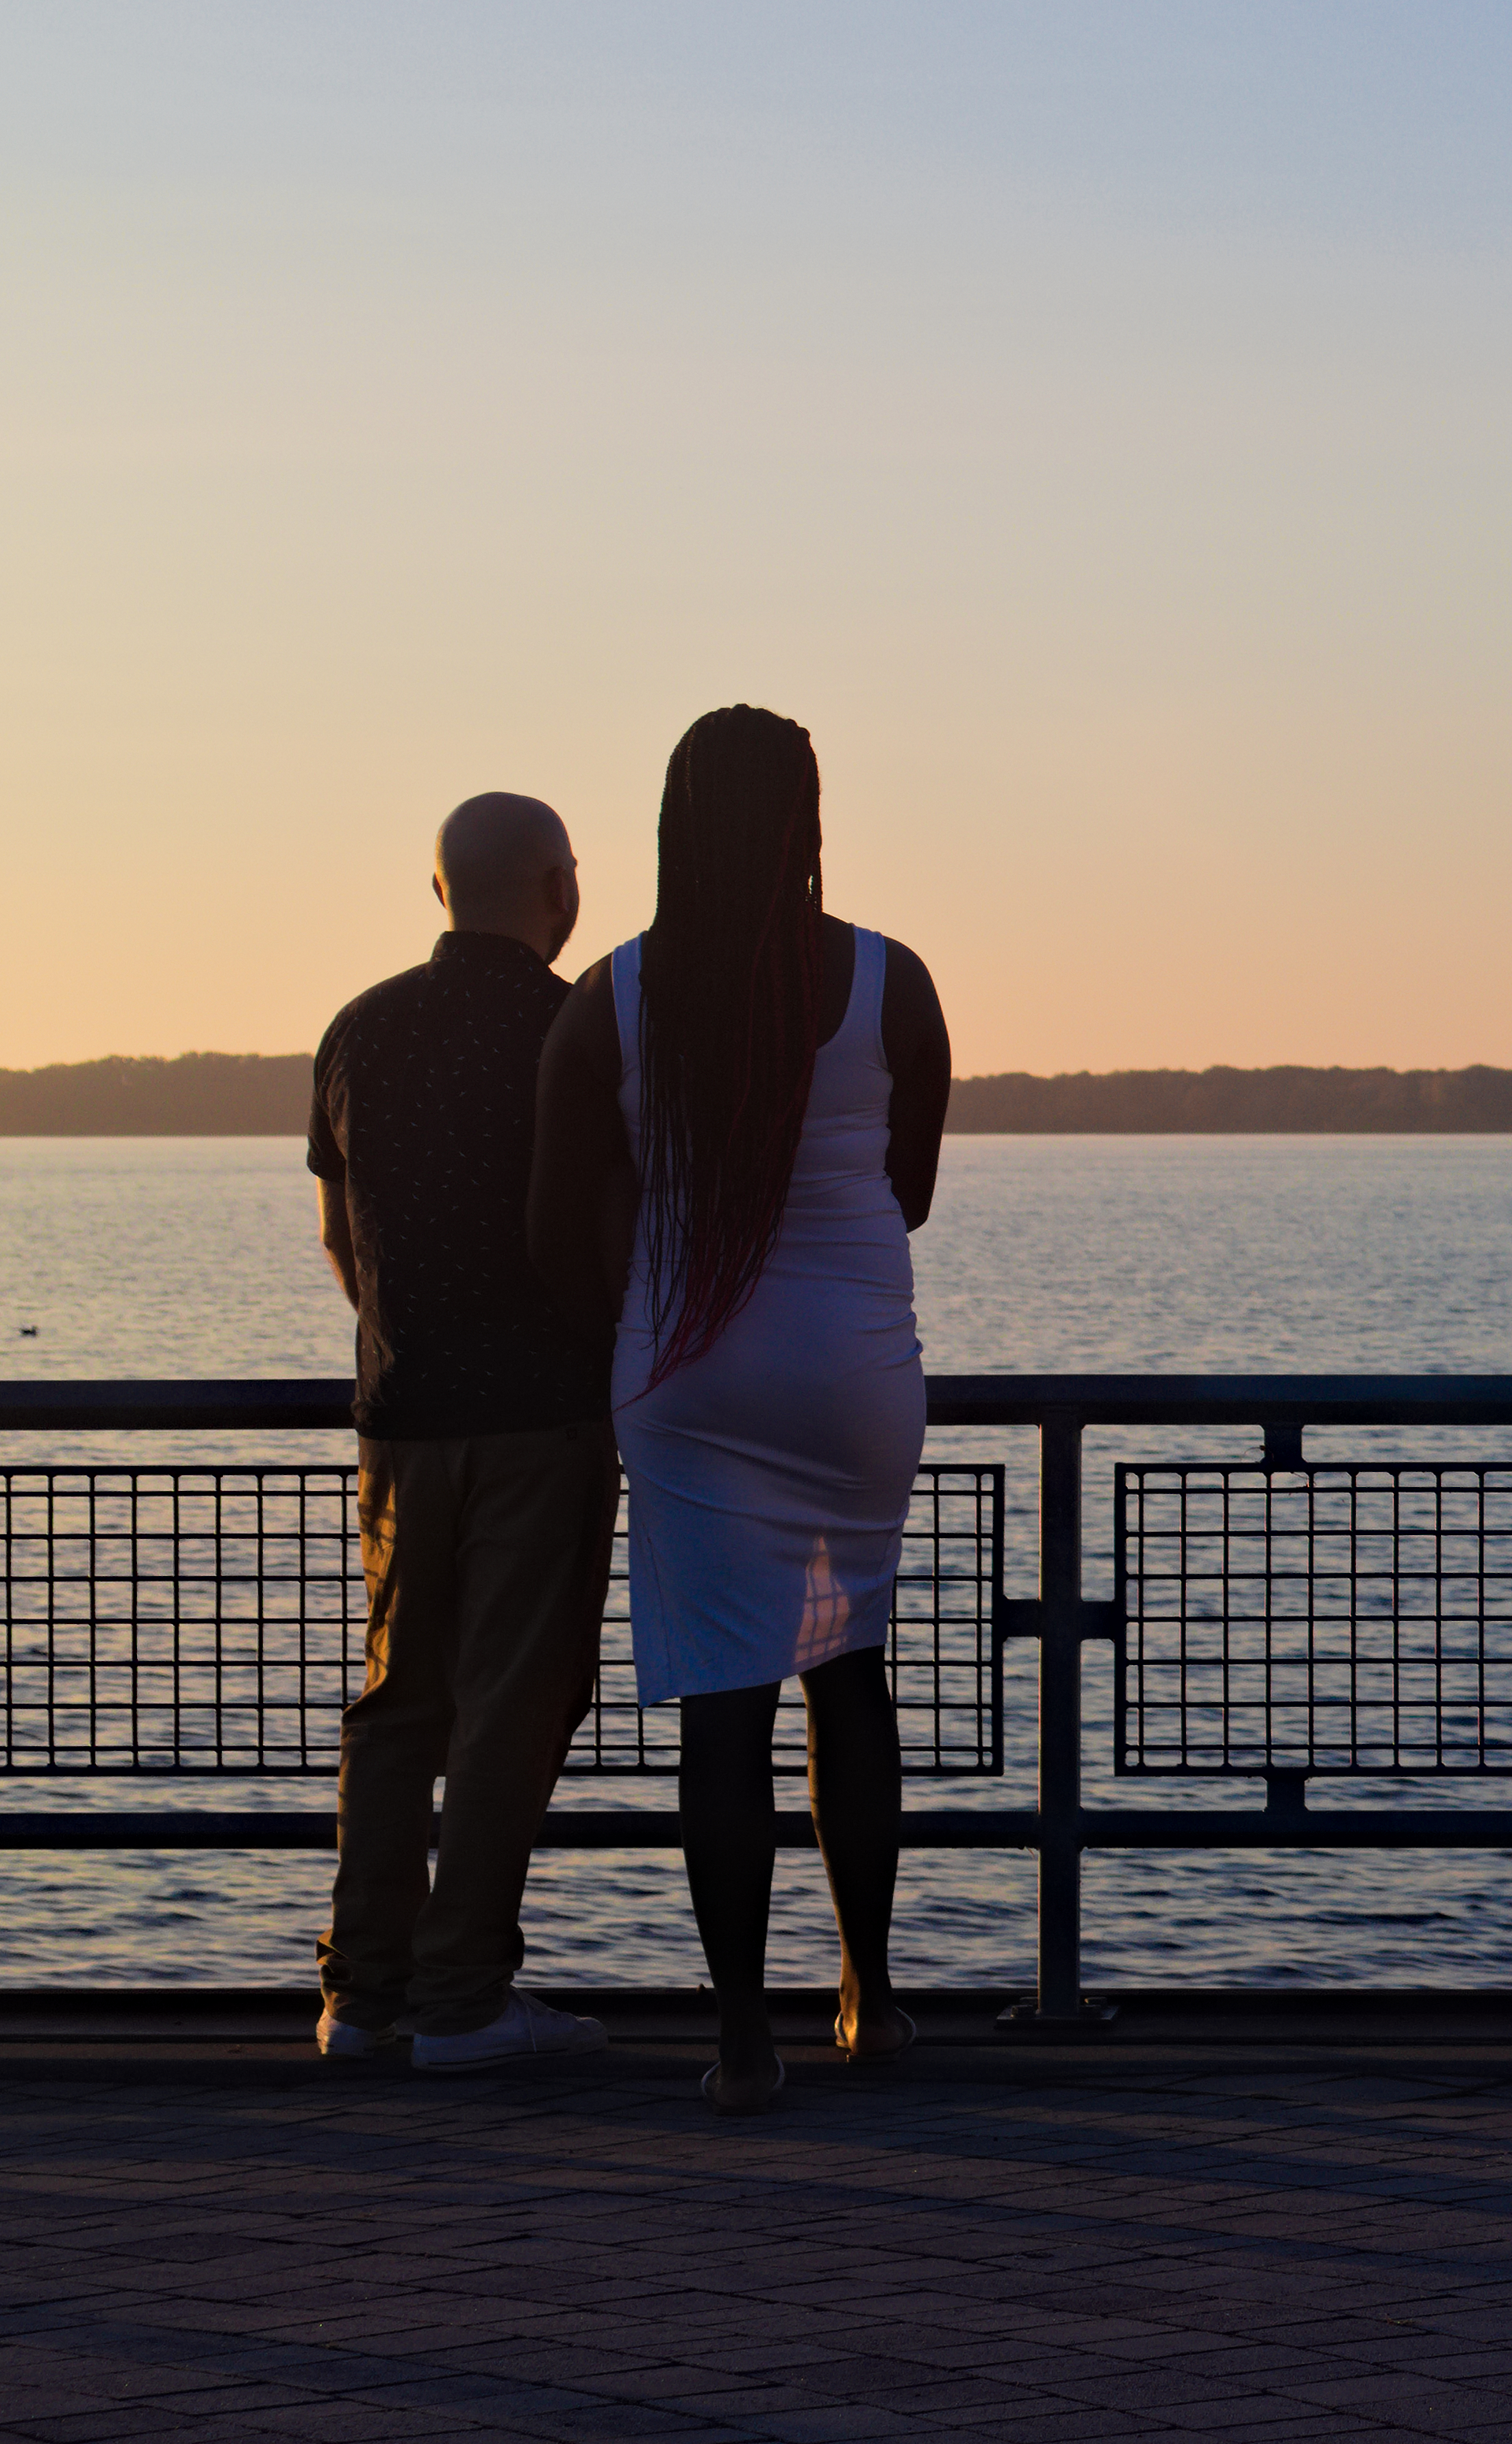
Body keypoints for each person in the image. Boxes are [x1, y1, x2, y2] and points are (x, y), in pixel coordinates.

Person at [531, 704, 951, 2115]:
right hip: (851, 1369)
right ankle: (872, 1998)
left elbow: (554, 1226)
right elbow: (913, 1193)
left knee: (725, 1702)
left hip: (689, 1371)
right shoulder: (893, 984)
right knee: (850, 1674)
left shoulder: (613, 997)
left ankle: (741, 2040)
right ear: (808, 819)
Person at [308, 792, 617, 2070]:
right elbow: (620, 1227)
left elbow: (342, 1239)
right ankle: (465, 1995)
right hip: (543, 1415)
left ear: (439, 890)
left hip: (402, 1417)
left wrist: (401, 1341)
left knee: (397, 1704)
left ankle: (359, 1994)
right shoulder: (578, 1029)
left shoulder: (359, 1029)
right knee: (514, 1702)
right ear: (561, 888)